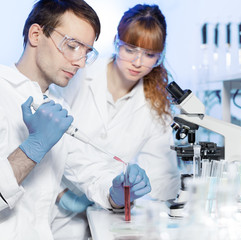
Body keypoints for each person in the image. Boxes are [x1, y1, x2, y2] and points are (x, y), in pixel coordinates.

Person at [0, 1, 151, 239]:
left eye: (87, 52)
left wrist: (116, 192)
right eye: (72, 46)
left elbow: (87, 169)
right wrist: (33, 147)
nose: (80, 63)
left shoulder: (59, 106)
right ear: (36, 35)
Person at [52, 3, 181, 238]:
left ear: (159, 57)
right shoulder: (79, 74)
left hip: (108, 212)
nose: (138, 62)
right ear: (116, 42)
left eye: (150, 54)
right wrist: (59, 193)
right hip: (54, 202)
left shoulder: (157, 107)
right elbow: (51, 136)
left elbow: (163, 175)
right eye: (130, 49)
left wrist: (136, 195)